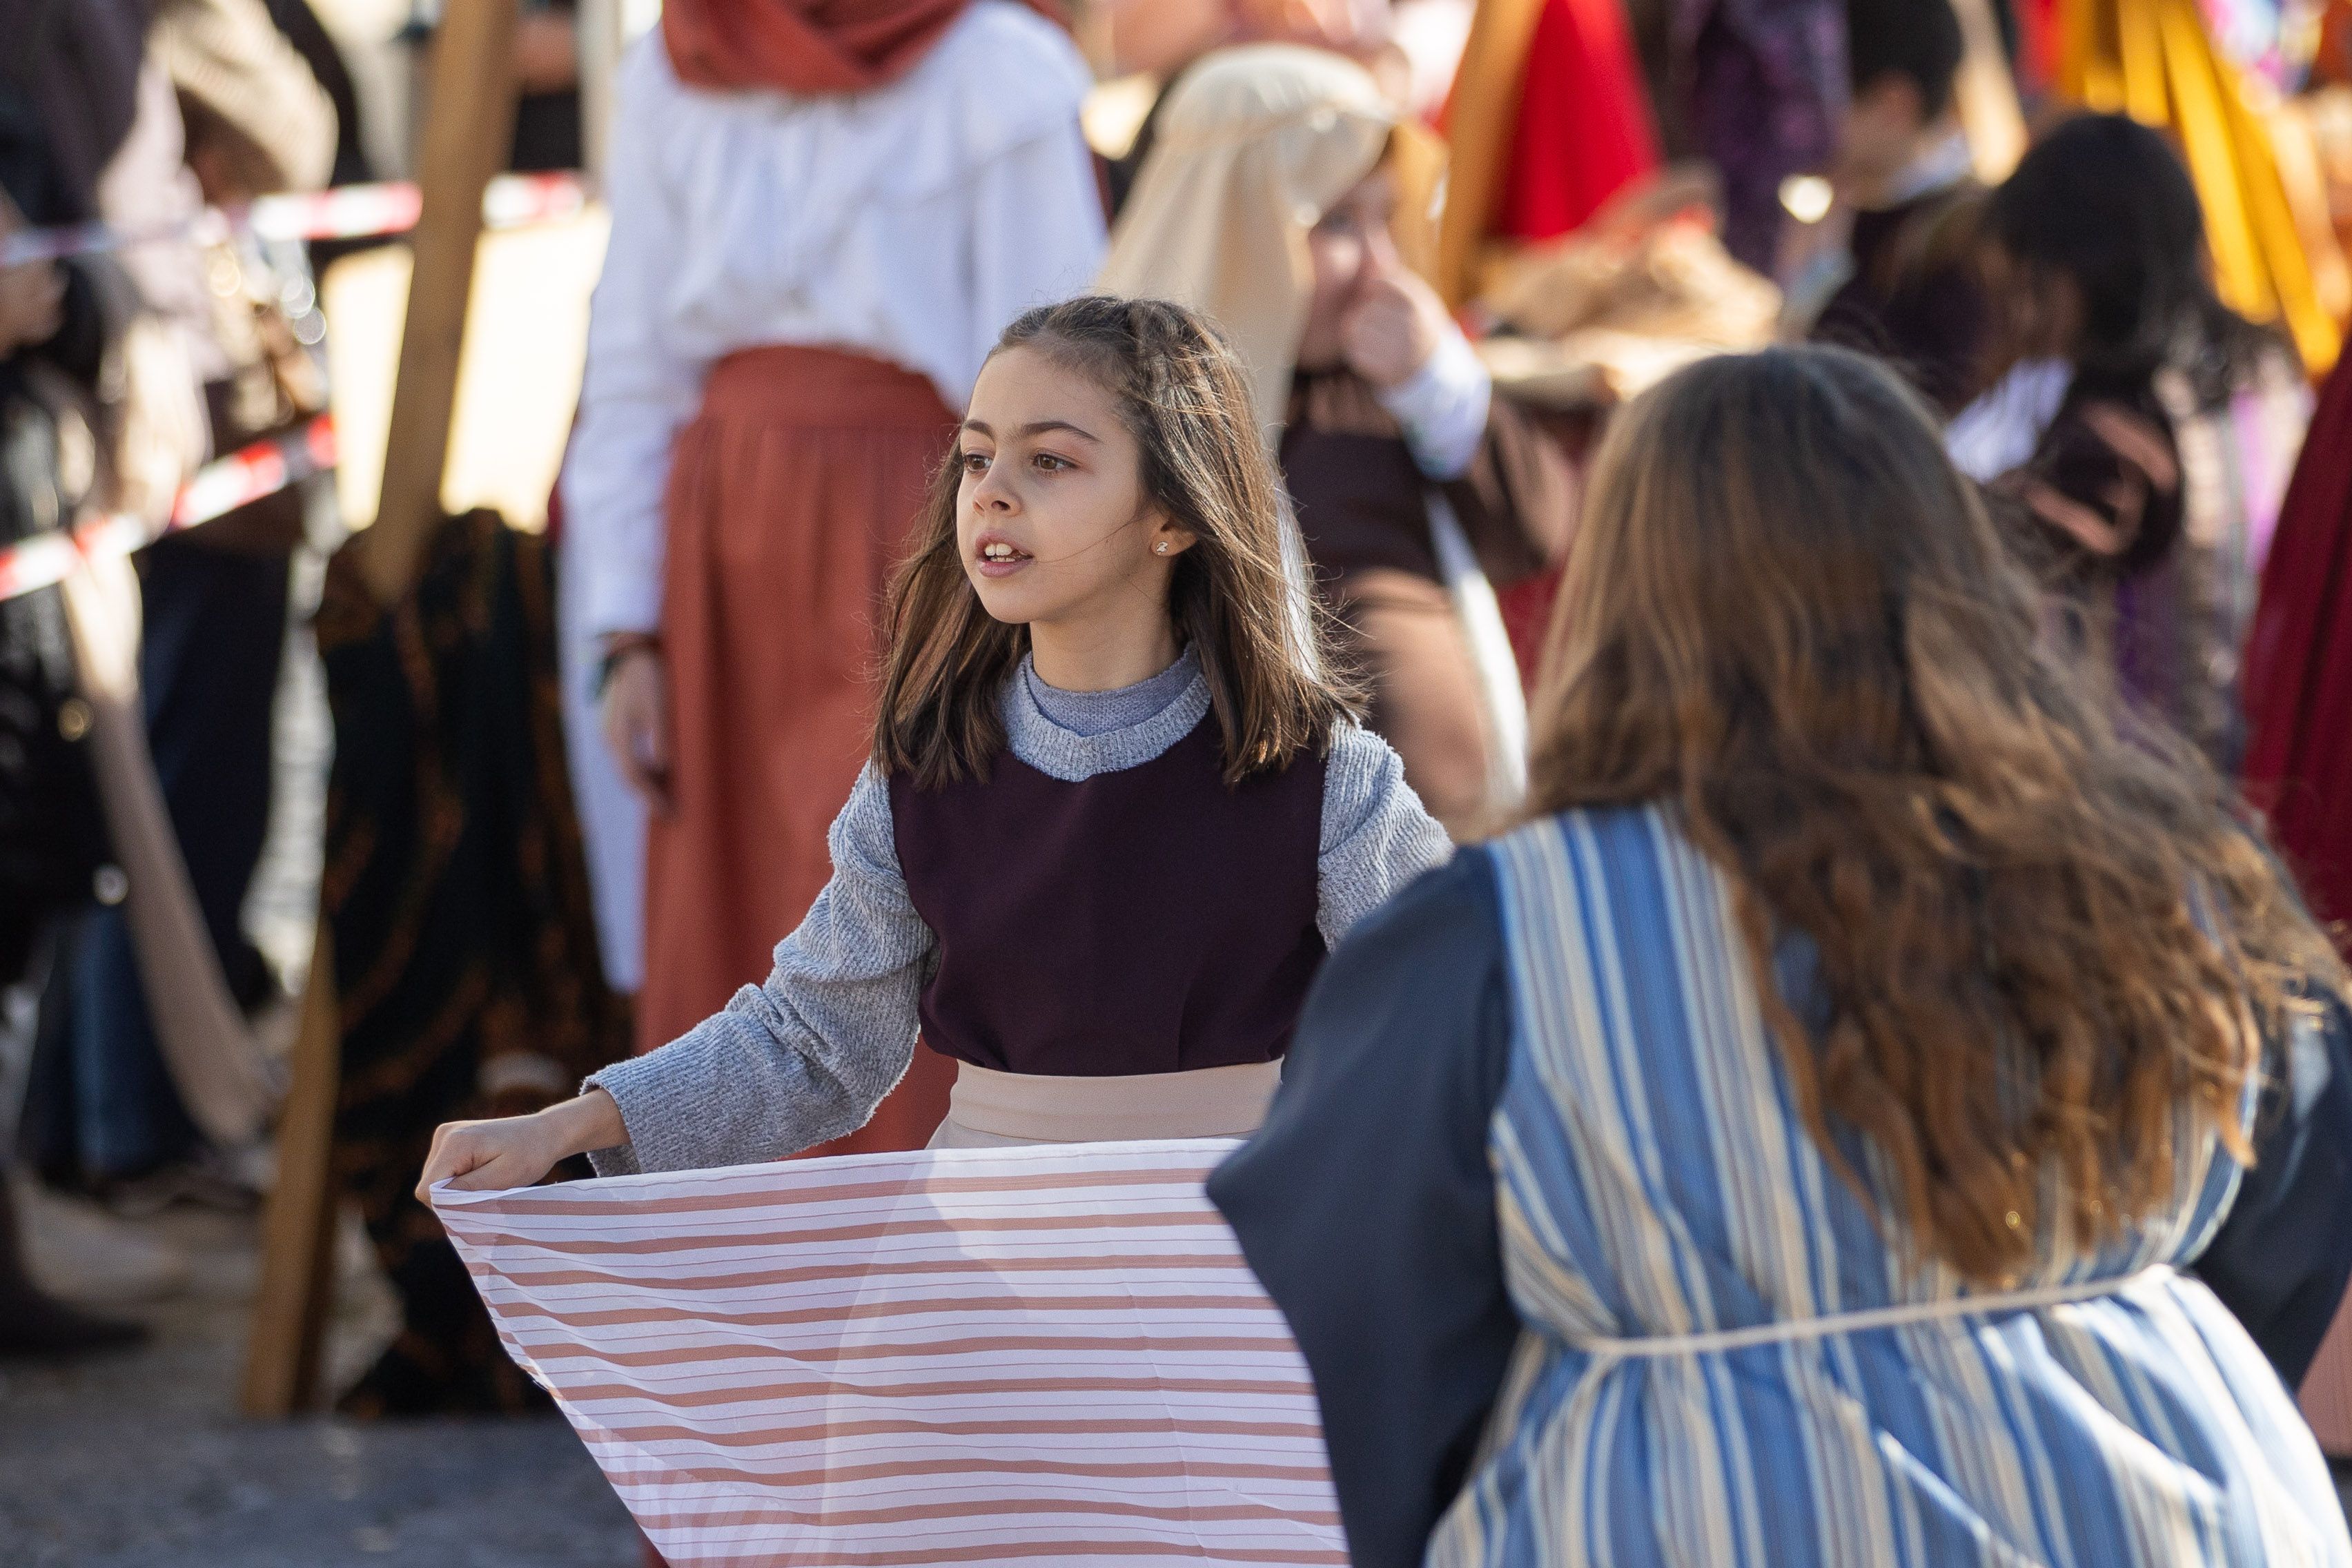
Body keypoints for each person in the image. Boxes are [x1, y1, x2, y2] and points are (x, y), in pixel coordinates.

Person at [1211, 344, 2352, 1568]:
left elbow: (1363, 1311)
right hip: (2159, 1512)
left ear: (1626, 597)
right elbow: (2298, 1240)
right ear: (1955, 575)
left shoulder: (1499, 933)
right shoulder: (2170, 883)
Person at [421, 295, 1449, 1187]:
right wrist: (568, 1126)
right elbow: (812, 1043)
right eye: (976, 457)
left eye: (1051, 461)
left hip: (1248, 1251)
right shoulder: (923, 776)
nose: (991, 490)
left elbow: (1455, 1004)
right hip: (987, 1267)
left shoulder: (1322, 775)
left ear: (1174, 516)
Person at [564, 0, 1107, 1154]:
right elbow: (633, 363)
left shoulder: (1000, 72)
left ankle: (909, 1254)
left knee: (916, 902)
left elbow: (1060, 379)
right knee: (734, 913)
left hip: (928, 532)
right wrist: (626, 629)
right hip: (724, 550)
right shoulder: (679, 63)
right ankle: (740, 1263)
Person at [1102, 45, 1571, 837]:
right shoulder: (1140, 410)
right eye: (1340, 223)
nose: (1381, 265)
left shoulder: (1379, 386)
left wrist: (1439, 389)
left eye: (1389, 219)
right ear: (1238, 227)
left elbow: (1536, 530)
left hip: (1446, 838)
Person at [1963, 113, 2307, 774]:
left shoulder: (2117, 437)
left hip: (2165, 786)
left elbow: (1989, 549)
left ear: (2079, 274)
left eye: (2031, 275)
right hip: (2272, 754)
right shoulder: (2266, 373)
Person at [1803, 0, 1989, 414]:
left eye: (1807, 99)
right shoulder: (1872, 218)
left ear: (1893, 106)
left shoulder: (1960, 260)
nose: (1786, 125)